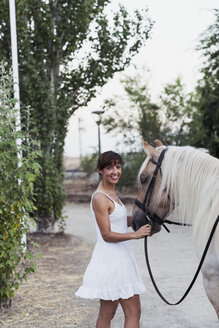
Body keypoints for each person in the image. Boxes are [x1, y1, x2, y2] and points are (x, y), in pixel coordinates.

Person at [75, 151, 151, 328]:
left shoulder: (112, 194)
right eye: (109, 167)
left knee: (107, 313)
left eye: (117, 167)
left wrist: (141, 220)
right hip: (113, 260)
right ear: (100, 170)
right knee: (132, 313)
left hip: (120, 257)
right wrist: (135, 234)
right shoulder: (101, 198)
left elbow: (117, 221)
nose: (115, 171)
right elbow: (107, 234)